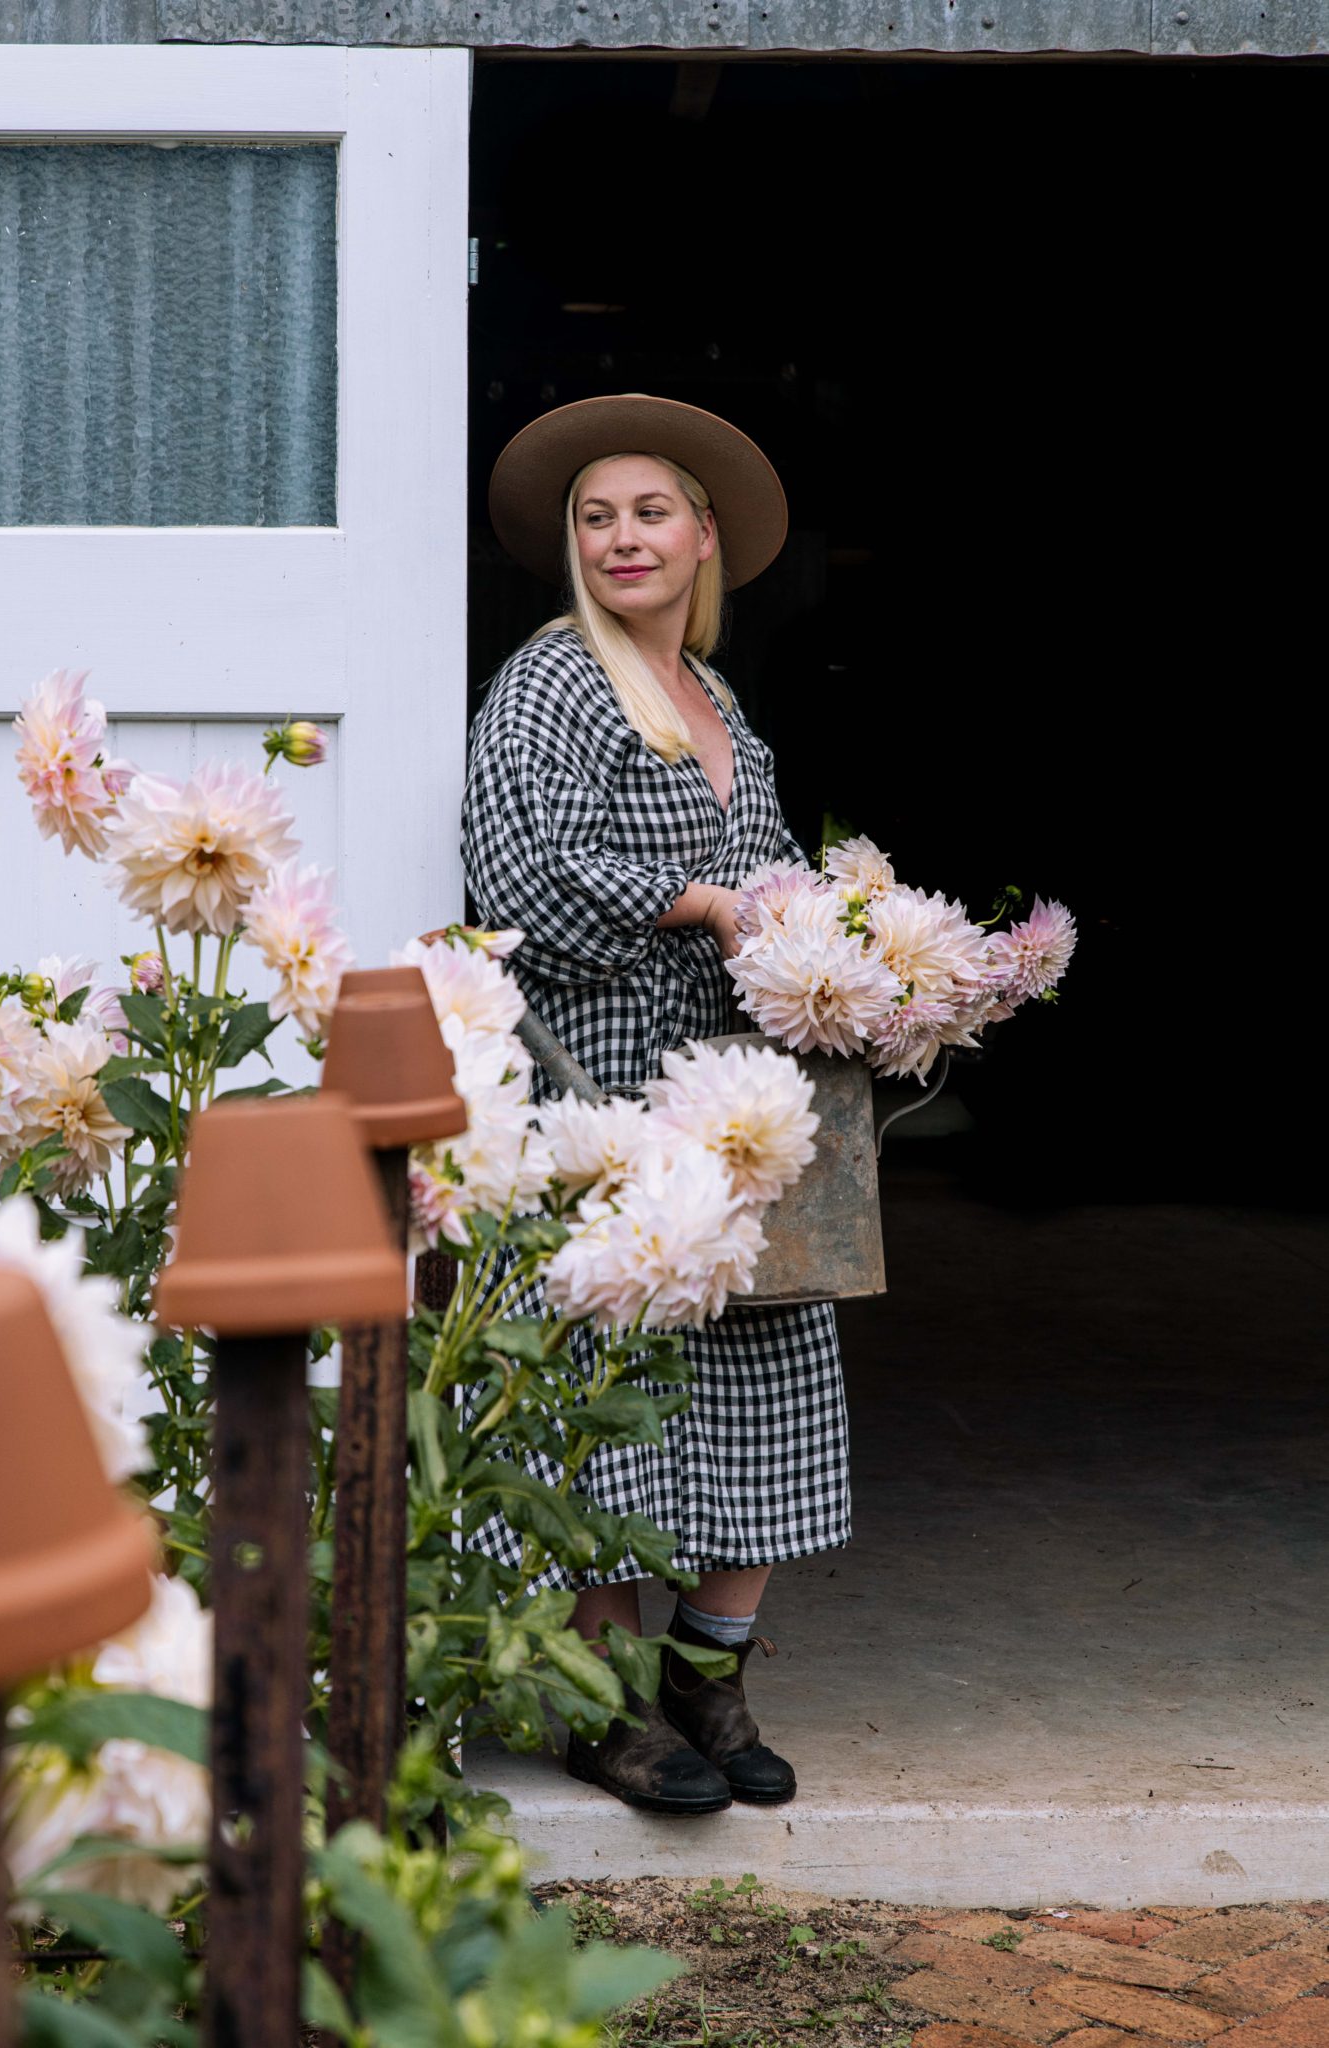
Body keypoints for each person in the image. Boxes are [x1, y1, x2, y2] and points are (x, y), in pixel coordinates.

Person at [462, 394, 850, 1815]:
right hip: (600, 1097)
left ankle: (706, 1674)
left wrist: (857, 956)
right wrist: (696, 901)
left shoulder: (717, 702)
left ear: (702, 538)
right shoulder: (551, 682)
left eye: (646, 512)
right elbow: (517, 875)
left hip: (729, 1101)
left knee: (764, 1381)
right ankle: (605, 1706)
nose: (620, 537)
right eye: (594, 516)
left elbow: (774, 884)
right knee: (599, 1403)